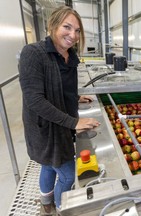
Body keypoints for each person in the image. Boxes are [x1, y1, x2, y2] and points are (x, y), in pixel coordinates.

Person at [19, 6, 100, 215]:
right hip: (45, 129)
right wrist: (75, 123)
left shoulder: (70, 57)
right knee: (66, 174)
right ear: (53, 25)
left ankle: (46, 201)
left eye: (78, 30)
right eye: (67, 27)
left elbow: (62, 87)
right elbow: (34, 99)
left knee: (47, 165)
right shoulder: (34, 53)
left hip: (61, 124)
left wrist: (75, 97)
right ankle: (61, 209)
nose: (73, 35)